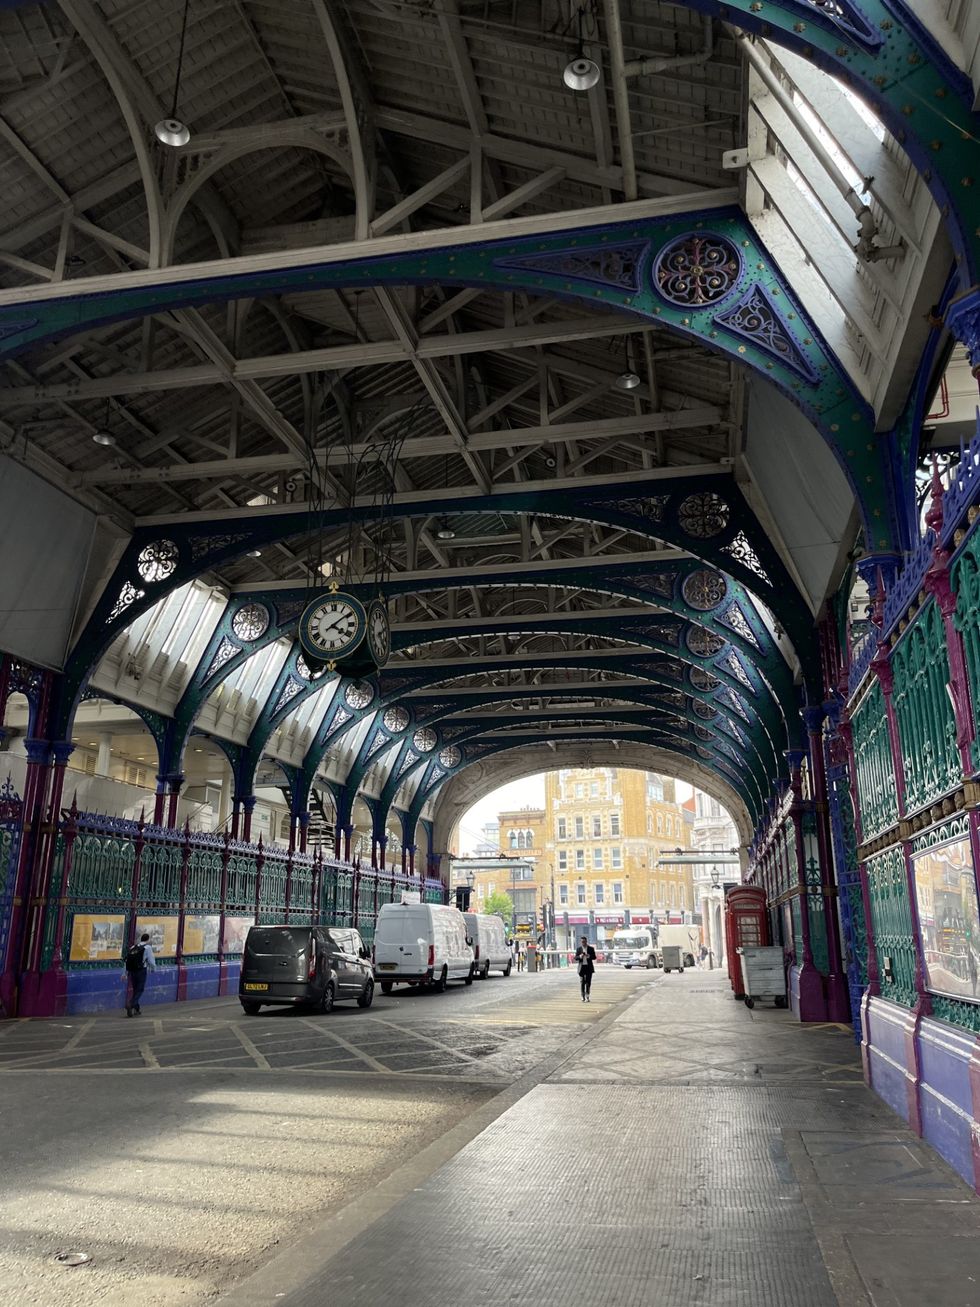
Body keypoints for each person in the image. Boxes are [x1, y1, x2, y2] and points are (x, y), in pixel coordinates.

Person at [124, 932, 156, 1017]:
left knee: (135, 990)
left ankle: (136, 1009)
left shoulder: (133, 947)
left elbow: (127, 961)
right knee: (140, 989)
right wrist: (153, 969)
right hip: (141, 971)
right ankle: (131, 1004)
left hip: (132, 971)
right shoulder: (147, 947)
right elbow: (151, 961)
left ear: (141, 939)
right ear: (148, 939)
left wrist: (125, 973)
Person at [575, 936, 596, 1002]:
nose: (583, 943)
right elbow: (575, 958)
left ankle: (587, 995)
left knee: (588, 982)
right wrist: (580, 956)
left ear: (586, 942)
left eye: (584, 942)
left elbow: (594, 957)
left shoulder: (591, 948)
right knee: (582, 982)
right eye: (582, 942)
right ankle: (582, 996)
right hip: (581, 967)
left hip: (588, 967)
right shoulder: (579, 949)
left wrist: (589, 956)